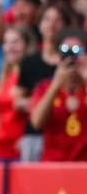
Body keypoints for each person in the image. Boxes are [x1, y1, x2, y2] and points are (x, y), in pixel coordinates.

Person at [17, 4, 78, 161]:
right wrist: (41, 103)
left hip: (65, 134)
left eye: (57, 20)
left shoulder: (72, 62)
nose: (52, 25)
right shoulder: (29, 62)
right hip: (34, 134)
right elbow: (18, 101)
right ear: (40, 24)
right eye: (47, 19)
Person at [29, 28, 87, 161]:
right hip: (54, 165)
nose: (72, 57)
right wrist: (56, 84)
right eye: (66, 52)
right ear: (57, 56)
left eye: (78, 51)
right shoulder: (44, 87)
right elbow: (36, 123)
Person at [0, 27, 31, 161]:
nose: (10, 47)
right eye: (6, 42)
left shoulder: (33, 75)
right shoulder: (3, 76)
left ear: (26, 45)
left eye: (15, 42)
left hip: (20, 148)